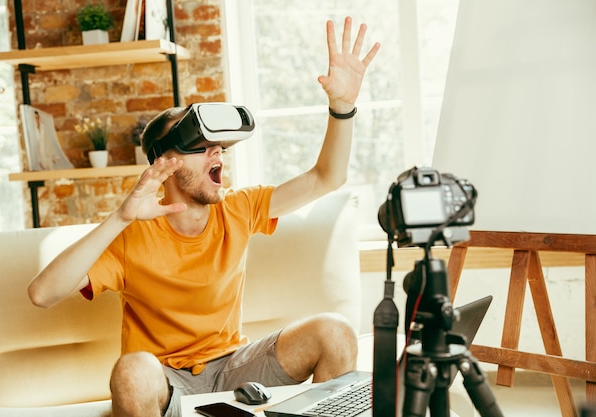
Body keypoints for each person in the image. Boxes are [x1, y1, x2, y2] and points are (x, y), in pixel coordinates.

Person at [28, 16, 380, 417]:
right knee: (131, 370)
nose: (218, 154)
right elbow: (42, 294)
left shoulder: (239, 208)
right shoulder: (132, 233)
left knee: (335, 332)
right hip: (164, 378)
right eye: (202, 146)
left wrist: (343, 107)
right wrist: (121, 217)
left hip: (234, 365)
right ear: (166, 161)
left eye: (219, 147)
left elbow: (325, 177)